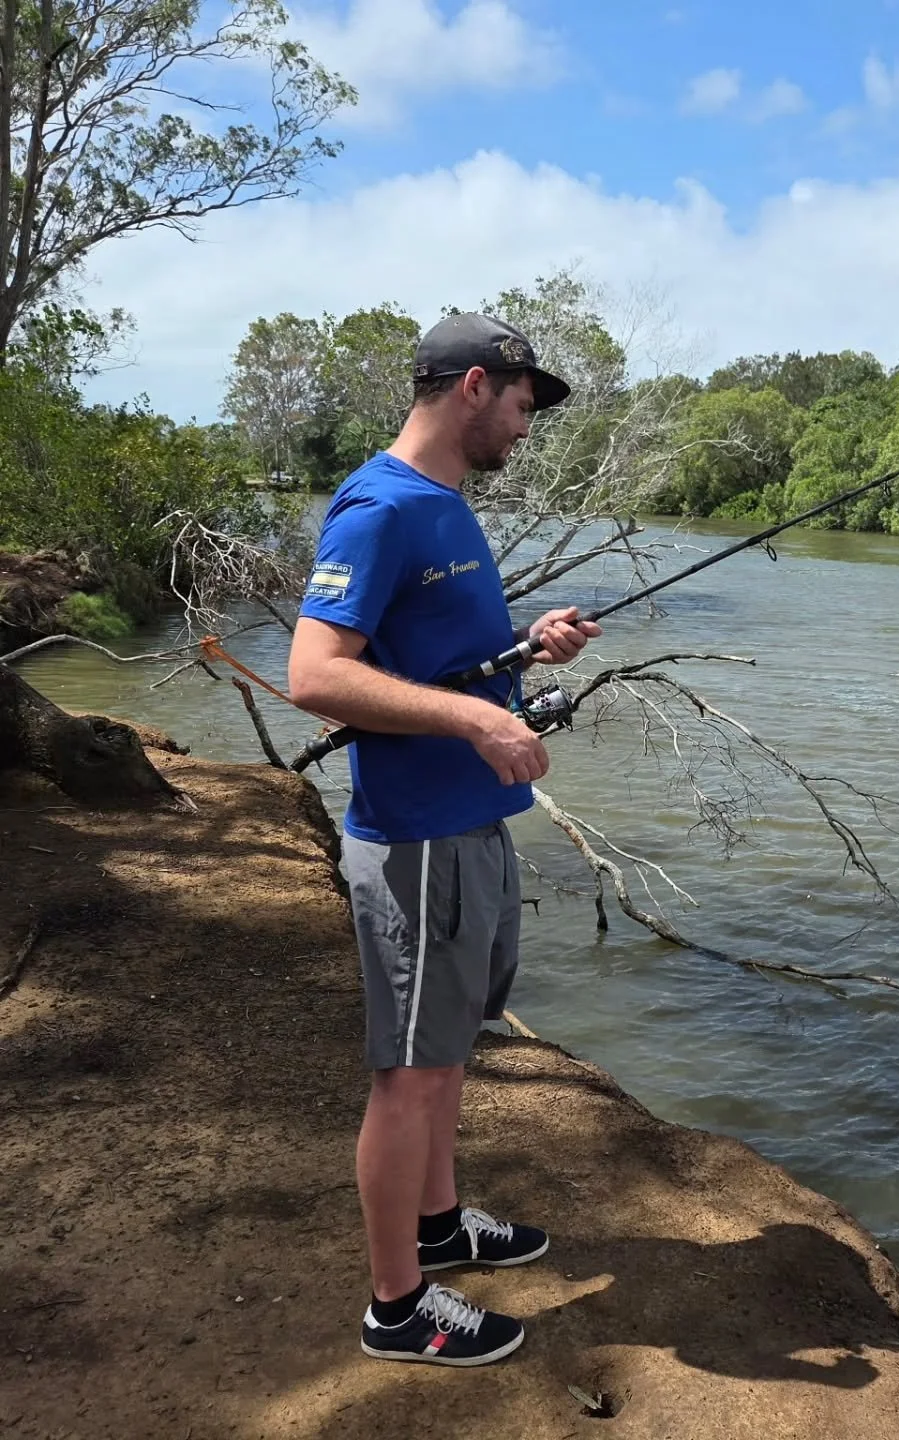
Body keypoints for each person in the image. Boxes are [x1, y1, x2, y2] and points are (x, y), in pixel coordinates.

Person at [287, 313, 602, 1367]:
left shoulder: (447, 505)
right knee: (411, 1074)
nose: (525, 425)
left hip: (469, 830)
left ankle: (438, 1224)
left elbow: (433, 658)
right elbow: (315, 675)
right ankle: (397, 1308)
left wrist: (523, 648)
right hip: (416, 841)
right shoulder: (381, 508)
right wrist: (477, 719)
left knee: (448, 1049)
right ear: (473, 386)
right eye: (520, 403)